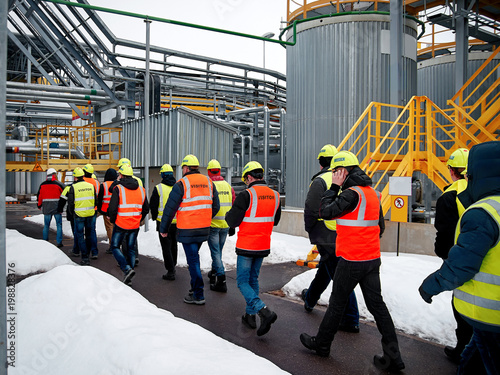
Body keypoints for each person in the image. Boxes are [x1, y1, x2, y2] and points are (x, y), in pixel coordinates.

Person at [300, 151, 405, 372]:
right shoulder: (372, 193)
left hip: (351, 258)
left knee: (337, 304)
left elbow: (325, 212)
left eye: (337, 172)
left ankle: (321, 345)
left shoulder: (350, 194)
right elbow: (380, 228)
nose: (334, 175)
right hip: (371, 259)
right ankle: (393, 355)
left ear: (344, 171)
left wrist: (334, 187)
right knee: (378, 306)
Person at [419, 141, 500, 375]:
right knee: (471, 359)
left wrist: (431, 285)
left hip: (488, 311)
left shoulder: (482, 211)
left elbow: (461, 263)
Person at [302, 144, 360, 333]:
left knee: (338, 276)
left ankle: (351, 318)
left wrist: (310, 230)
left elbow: (311, 208)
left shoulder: (320, 181)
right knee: (327, 270)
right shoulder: (347, 179)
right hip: (344, 233)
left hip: (325, 233)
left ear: (320, 162)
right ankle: (310, 298)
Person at [225, 161, 281, 336]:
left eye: (245, 180)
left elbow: (232, 221)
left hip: (247, 246)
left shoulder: (246, 195)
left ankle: (262, 311)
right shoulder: (276, 195)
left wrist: (229, 215)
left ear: (249, 177)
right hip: (263, 245)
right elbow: (275, 220)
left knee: (242, 282)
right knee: (253, 280)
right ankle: (250, 316)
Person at [159, 154, 220, 305]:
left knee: (193, 261)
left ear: (186, 168)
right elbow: (216, 206)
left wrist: (164, 228)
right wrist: (205, 217)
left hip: (187, 229)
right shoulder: (208, 182)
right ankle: (194, 288)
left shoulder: (182, 184)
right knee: (194, 258)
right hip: (203, 228)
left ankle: (198, 294)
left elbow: (170, 208)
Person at [433, 148, 475, 364]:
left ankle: (464, 349)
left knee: (462, 302)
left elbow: (445, 234)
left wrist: (444, 257)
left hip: (459, 258)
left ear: (451, 170)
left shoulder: (450, 196)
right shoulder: (487, 190)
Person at [108, 164, 149, 285]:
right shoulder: (141, 189)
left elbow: (112, 209)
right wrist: (138, 218)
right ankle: (129, 274)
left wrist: (113, 220)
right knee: (131, 249)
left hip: (121, 224)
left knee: (115, 247)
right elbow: (146, 208)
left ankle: (127, 269)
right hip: (134, 225)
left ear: (121, 175)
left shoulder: (118, 189)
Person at [207, 159, 235, 293]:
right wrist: (232, 225)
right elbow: (233, 204)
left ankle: (221, 278)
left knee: (215, 253)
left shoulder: (209, 185)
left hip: (213, 224)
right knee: (218, 252)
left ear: (208, 171)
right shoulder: (228, 186)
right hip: (225, 224)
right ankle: (213, 273)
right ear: (219, 170)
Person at [150, 164, 178, 281]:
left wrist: (155, 217)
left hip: (162, 223)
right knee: (173, 244)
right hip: (176, 222)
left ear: (162, 175)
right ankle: (173, 265)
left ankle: (170, 270)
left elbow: (153, 205)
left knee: (166, 246)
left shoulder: (158, 188)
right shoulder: (178, 187)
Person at [67, 167, 97, 266]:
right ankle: (88, 253)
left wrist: (72, 213)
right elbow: (95, 201)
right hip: (90, 214)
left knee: (80, 235)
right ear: (82, 176)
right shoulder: (91, 186)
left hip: (79, 215)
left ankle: (85, 257)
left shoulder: (73, 187)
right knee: (89, 234)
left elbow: (70, 203)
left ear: (75, 177)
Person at [37, 168, 65, 248]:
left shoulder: (42, 185)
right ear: (54, 174)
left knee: (46, 226)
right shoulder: (59, 184)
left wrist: (39, 205)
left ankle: (45, 241)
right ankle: (59, 242)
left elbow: (40, 196)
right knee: (59, 225)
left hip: (46, 208)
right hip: (57, 208)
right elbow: (65, 194)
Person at [97, 168, 118, 254]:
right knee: (116, 227)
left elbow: (100, 198)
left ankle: (112, 245)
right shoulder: (117, 184)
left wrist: (99, 209)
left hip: (106, 210)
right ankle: (116, 243)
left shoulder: (103, 185)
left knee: (109, 228)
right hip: (117, 209)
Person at [82, 163, 100, 259]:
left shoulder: (81, 181)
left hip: (81, 210)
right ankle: (94, 252)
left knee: (81, 232)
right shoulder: (96, 182)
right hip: (93, 210)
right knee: (92, 231)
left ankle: (84, 252)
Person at [58, 183, 79, 257]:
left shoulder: (68, 187)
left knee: (75, 231)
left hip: (72, 212)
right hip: (86, 212)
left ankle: (76, 249)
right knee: (84, 231)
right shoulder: (88, 186)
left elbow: (62, 199)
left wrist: (60, 209)